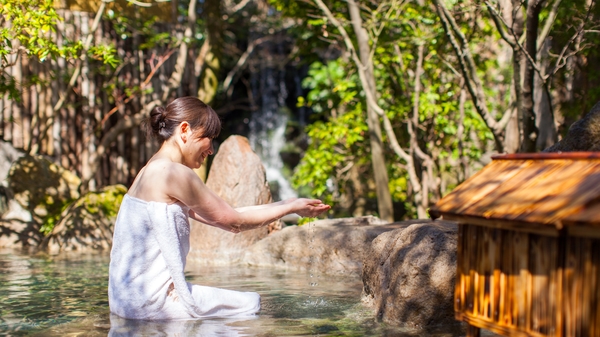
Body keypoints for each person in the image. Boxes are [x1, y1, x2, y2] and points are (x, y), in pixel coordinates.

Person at [108, 96, 330, 321]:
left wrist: (290, 204)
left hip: (124, 301)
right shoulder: (174, 173)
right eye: (208, 138)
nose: (211, 149)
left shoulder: (147, 172)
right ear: (184, 130)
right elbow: (235, 223)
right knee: (252, 306)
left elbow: (233, 214)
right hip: (152, 305)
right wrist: (290, 207)